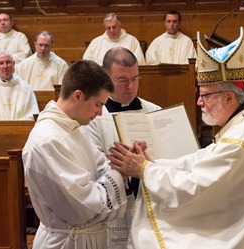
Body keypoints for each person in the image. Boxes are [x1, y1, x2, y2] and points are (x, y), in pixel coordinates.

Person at [107, 27, 244, 248]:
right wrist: (152, 165)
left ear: (228, 97)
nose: (199, 102)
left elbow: (199, 186)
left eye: (205, 95)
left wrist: (144, 171)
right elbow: (200, 163)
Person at [22, 60, 127, 249]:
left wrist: (122, 161)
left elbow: (100, 167)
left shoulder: (73, 128)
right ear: (78, 96)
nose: (100, 112)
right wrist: (121, 172)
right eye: (97, 104)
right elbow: (83, 207)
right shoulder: (47, 140)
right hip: (64, 242)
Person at [84, 47, 160, 248]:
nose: (131, 86)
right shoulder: (94, 117)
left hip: (149, 202)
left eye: (135, 79)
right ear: (107, 79)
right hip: (116, 205)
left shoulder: (155, 112)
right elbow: (94, 163)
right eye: (123, 80)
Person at [0, 51, 39, 121]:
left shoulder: (25, 88)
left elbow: (32, 114)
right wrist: (3, 127)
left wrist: (16, 127)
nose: (5, 66)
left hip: (21, 130)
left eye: (8, 62)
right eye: (1, 63)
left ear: (13, 64)